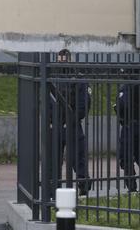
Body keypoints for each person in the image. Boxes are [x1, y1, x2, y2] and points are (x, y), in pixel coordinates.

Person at [49, 48, 92, 195]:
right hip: (56, 124)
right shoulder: (52, 78)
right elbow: (46, 102)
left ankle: (83, 183)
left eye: (64, 58)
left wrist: (71, 120)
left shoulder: (78, 79)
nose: (62, 62)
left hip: (71, 125)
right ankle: (53, 186)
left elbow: (83, 105)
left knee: (77, 158)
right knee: (55, 158)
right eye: (60, 58)